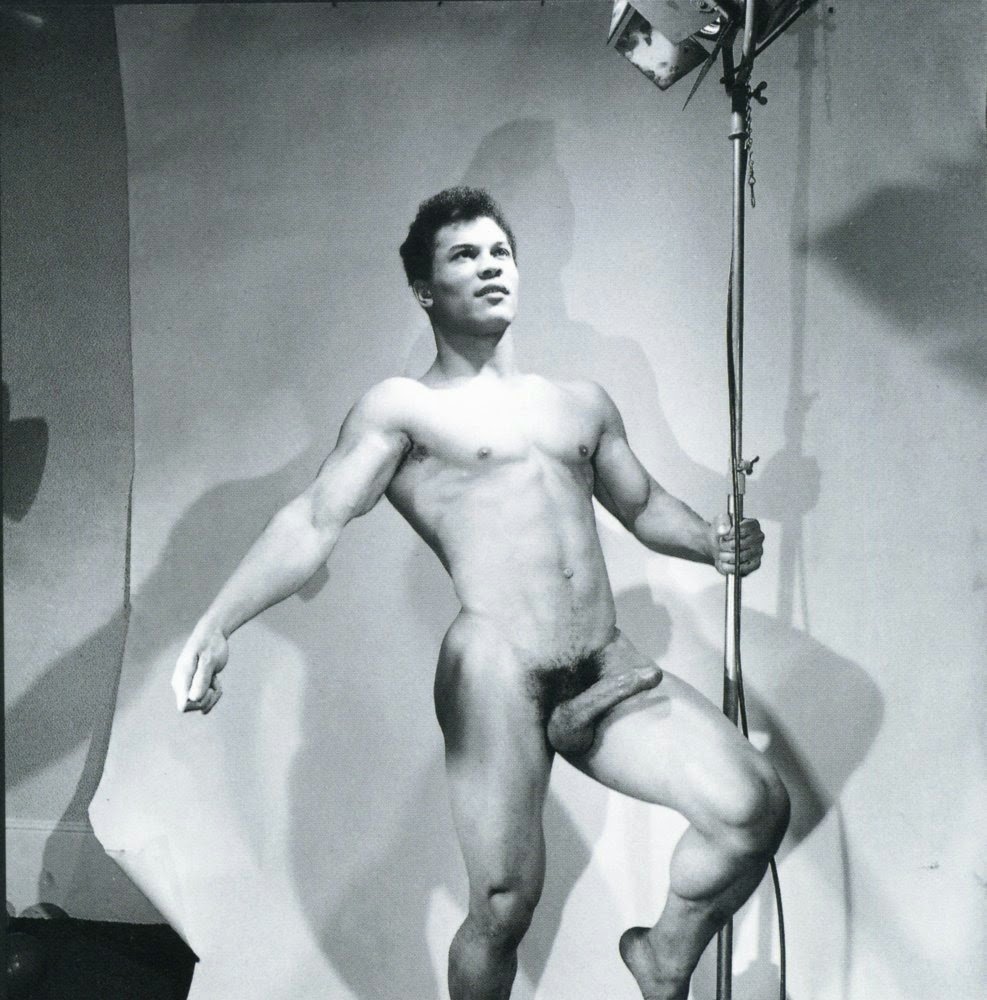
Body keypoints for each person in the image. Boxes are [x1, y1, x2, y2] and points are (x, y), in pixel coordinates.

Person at [172, 187, 789, 1000]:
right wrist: (219, 622)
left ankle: (663, 957)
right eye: (464, 256)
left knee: (752, 807)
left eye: (500, 252)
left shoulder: (580, 403)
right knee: (502, 905)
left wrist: (710, 542)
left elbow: (643, 507)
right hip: (497, 671)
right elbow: (314, 519)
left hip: (601, 661)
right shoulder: (404, 409)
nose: (490, 266)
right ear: (425, 291)